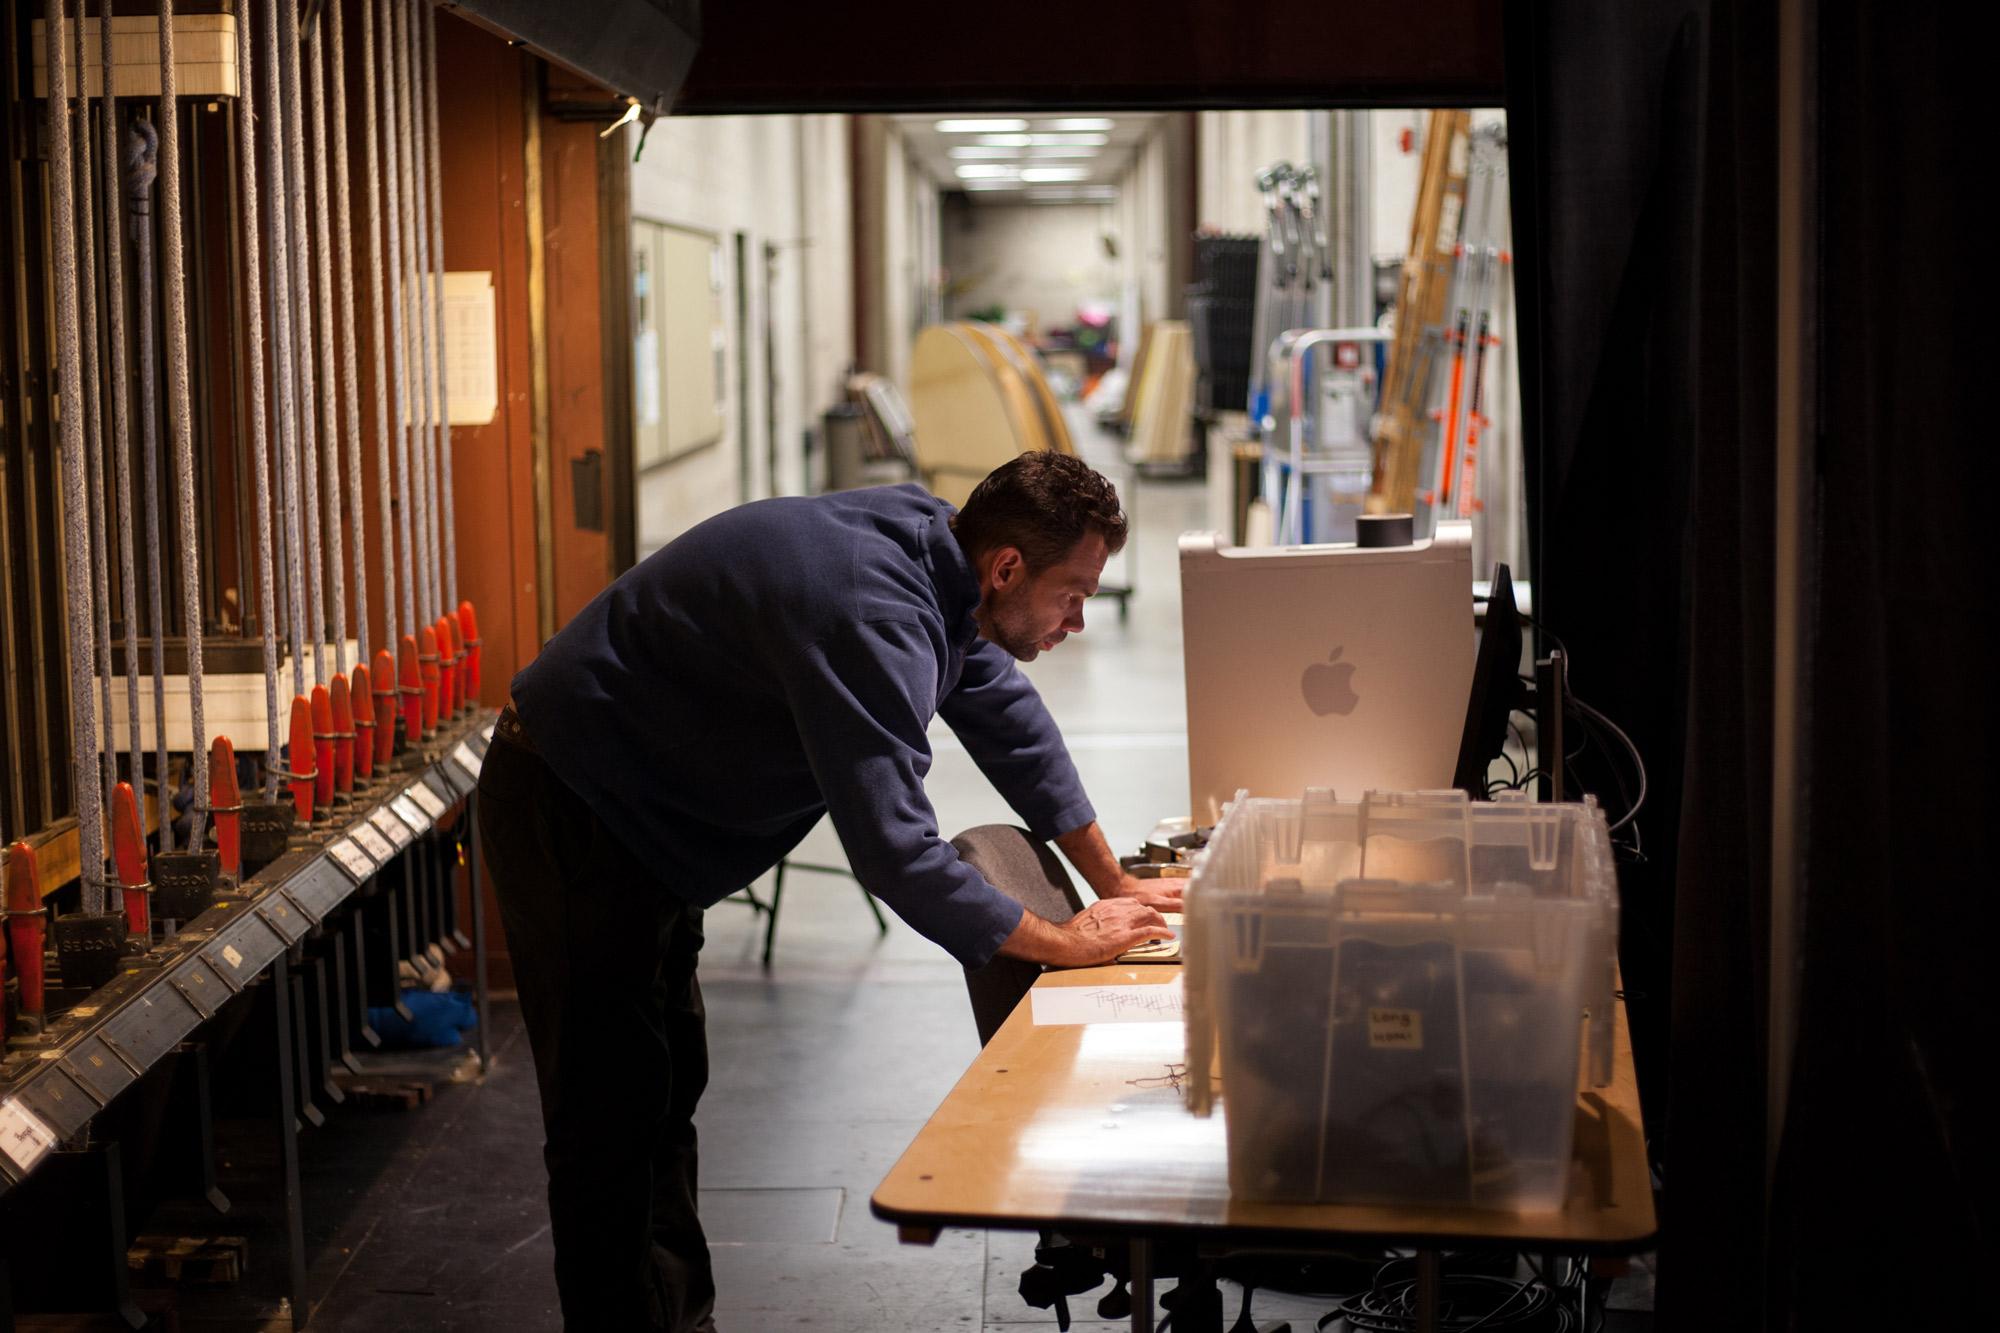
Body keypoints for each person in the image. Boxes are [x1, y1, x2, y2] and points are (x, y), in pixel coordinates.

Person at [477, 452, 1177, 1331]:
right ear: (1007, 568)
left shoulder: (938, 554)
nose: (1078, 617)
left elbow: (1004, 713)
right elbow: (898, 854)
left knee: (662, 1091)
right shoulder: (872, 611)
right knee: (607, 1120)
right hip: (573, 804)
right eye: (1073, 593)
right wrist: (1069, 939)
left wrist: (1115, 878)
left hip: (644, 825)